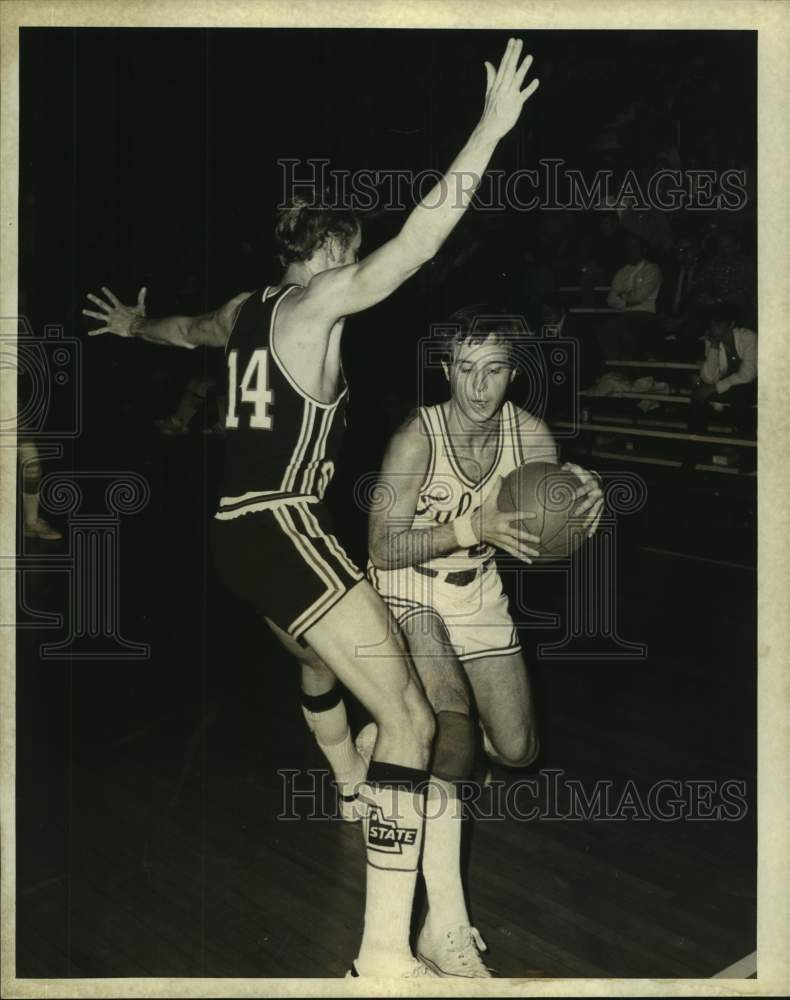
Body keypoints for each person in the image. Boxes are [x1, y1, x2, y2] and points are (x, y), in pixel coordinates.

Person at [82, 37, 541, 979]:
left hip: (233, 537)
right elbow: (419, 241)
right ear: (333, 250)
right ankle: (383, 957)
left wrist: (135, 326)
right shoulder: (319, 301)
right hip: (278, 524)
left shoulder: (247, 307)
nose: (357, 264)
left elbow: (186, 331)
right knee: (412, 725)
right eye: (351, 253)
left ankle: (355, 796)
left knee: (353, 688)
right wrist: (490, 130)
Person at [313, 307, 603, 976]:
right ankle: (443, 927)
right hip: (408, 586)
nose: (479, 387)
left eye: (495, 369)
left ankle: (376, 743)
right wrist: (472, 525)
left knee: (517, 749)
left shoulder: (530, 436)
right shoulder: (418, 435)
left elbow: (542, 541)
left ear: (513, 373)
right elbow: (382, 548)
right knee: (454, 731)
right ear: (447, 370)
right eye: (466, 370)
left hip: (478, 596)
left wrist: (581, 506)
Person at [689, 302, 757, 436]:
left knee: (739, 396)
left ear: (731, 324)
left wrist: (714, 388)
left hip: (756, 386)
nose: (713, 329)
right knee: (698, 395)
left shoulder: (749, 337)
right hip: (729, 386)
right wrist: (713, 347)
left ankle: (743, 444)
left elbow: (748, 375)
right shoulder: (711, 340)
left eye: (717, 324)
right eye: (711, 325)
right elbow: (708, 377)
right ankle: (696, 444)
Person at [600, 234, 662, 360]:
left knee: (626, 329)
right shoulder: (621, 271)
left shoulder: (652, 269)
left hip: (646, 313)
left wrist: (621, 295)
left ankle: (627, 366)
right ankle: (615, 367)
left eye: (634, 247)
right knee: (606, 327)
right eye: (628, 247)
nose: (630, 250)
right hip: (625, 314)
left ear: (643, 249)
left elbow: (639, 297)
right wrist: (626, 301)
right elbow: (610, 299)